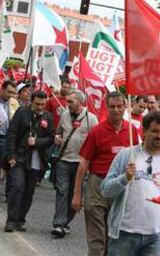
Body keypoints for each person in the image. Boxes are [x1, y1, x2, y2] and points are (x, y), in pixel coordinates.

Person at [101, 111, 160, 256]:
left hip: (156, 237)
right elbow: (106, 190)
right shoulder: (127, 155)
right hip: (124, 234)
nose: (159, 136)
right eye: (155, 131)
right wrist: (124, 178)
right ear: (143, 131)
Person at [71, 91, 139, 256]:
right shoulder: (97, 131)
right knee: (96, 238)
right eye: (112, 107)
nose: (116, 110)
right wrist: (77, 194)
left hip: (121, 185)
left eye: (119, 106)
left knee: (114, 235)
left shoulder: (131, 132)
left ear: (125, 107)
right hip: (97, 185)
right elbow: (83, 163)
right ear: (106, 108)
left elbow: (138, 159)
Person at [4, 91, 54, 232]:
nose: (40, 107)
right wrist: (11, 155)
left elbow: (50, 138)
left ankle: (20, 219)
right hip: (20, 157)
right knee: (17, 186)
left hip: (37, 160)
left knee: (29, 192)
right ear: (32, 101)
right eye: (37, 104)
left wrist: (37, 142)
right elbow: (12, 133)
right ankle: (11, 220)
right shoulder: (22, 112)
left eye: (43, 104)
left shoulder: (48, 117)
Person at [51, 89, 98, 238]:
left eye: (71, 101)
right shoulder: (64, 115)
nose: (67, 104)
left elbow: (95, 142)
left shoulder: (91, 119)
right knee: (62, 191)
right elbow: (58, 132)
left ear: (80, 101)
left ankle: (66, 222)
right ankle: (59, 224)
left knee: (74, 194)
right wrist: (57, 138)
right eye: (67, 101)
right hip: (64, 160)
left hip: (81, 163)